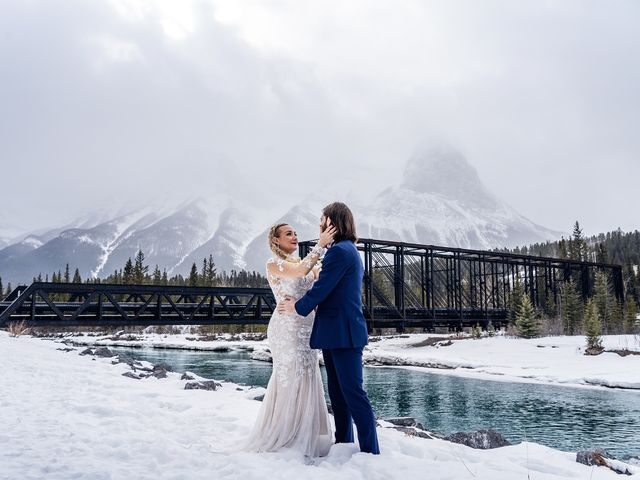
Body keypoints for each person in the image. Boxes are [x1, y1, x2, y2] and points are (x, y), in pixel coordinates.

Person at [278, 202, 380, 455]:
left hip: (343, 333)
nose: (319, 223)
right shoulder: (345, 250)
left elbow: (322, 289)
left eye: (322, 219)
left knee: (353, 393)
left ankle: (370, 452)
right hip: (336, 332)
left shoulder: (340, 252)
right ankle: (344, 443)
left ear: (333, 223)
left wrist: (297, 307)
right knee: (338, 392)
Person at [245, 221, 336, 457]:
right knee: (291, 375)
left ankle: (306, 433)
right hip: (286, 328)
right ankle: (285, 433)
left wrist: (328, 252)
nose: (294, 237)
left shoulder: (299, 263)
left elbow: (316, 274)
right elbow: (300, 273)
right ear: (276, 240)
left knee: (308, 374)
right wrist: (320, 245)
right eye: (288, 234)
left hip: (307, 326)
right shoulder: (274, 263)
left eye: (295, 233)